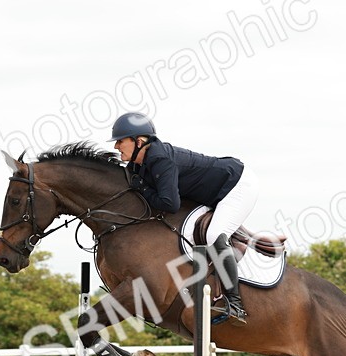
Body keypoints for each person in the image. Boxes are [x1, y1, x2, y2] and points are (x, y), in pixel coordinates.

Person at [110, 112, 258, 326]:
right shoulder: (136, 164)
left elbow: (170, 204)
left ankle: (235, 304)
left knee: (214, 234)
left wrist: (141, 187)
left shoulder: (160, 160)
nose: (116, 147)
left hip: (237, 186)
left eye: (120, 141)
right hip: (213, 191)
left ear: (139, 141)